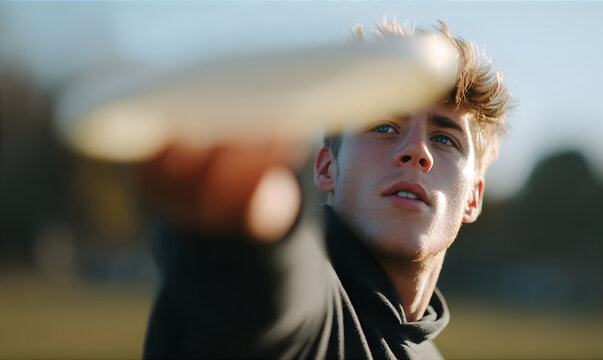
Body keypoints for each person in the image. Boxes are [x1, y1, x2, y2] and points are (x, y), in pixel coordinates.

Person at [142, 19, 510, 359]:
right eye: (383, 126)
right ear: (326, 168)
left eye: (445, 139)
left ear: (473, 197)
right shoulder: (305, 304)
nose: (417, 150)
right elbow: (262, 286)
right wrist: (241, 208)